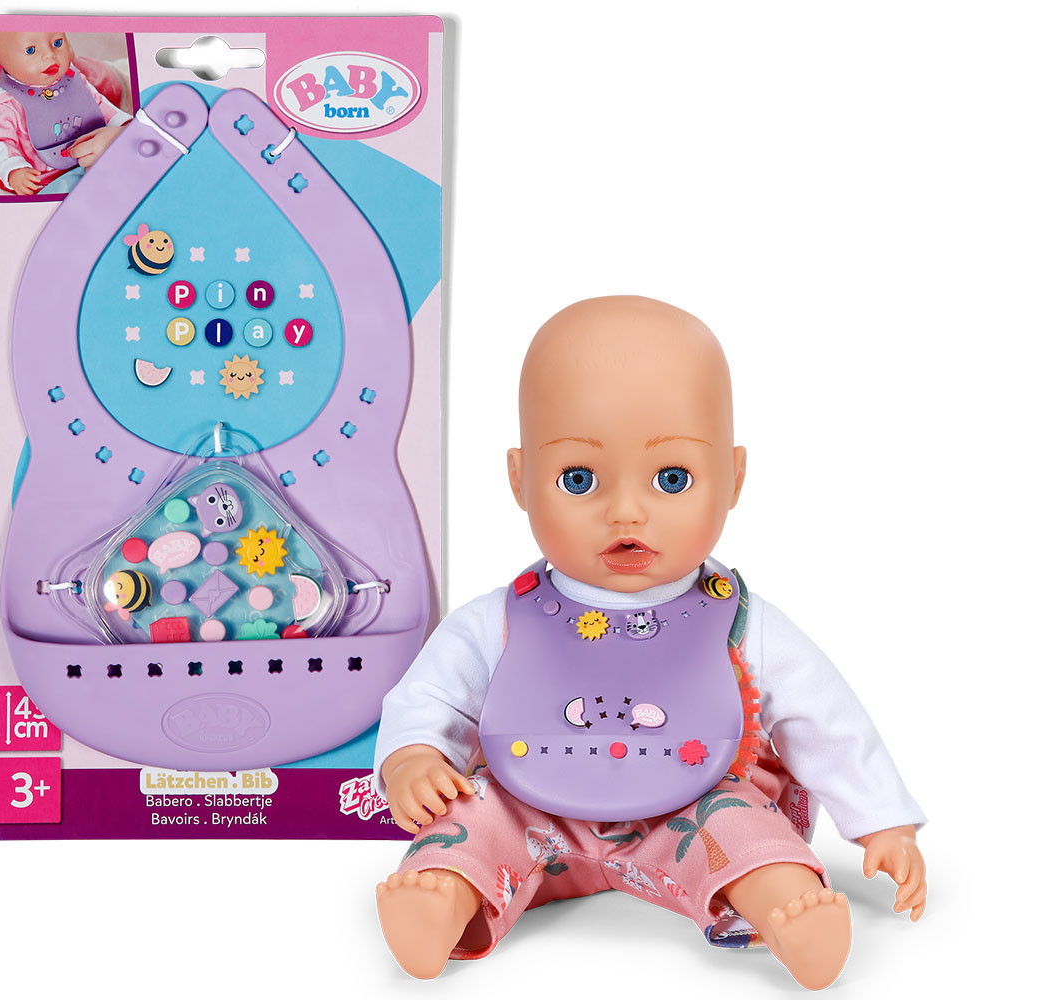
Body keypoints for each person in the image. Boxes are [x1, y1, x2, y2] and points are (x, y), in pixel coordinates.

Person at [373, 296, 927, 989]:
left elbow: (824, 718)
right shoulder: (500, 620)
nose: (626, 511)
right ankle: (441, 901)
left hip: (693, 805)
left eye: (672, 479)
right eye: (579, 479)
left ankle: (787, 906)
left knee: (742, 829)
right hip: (531, 806)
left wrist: (881, 821)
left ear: (734, 478)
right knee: (469, 818)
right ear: (519, 479)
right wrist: (414, 757)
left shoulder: (741, 621)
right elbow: (430, 693)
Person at [0, 31, 131, 194]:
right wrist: (14, 170)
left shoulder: (72, 78)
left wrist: (125, 123)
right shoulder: (3, 104)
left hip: (91, 156)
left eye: (57, 43)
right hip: (46, 181)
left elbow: (99, 104)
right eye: (31, 50)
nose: (50, 55)